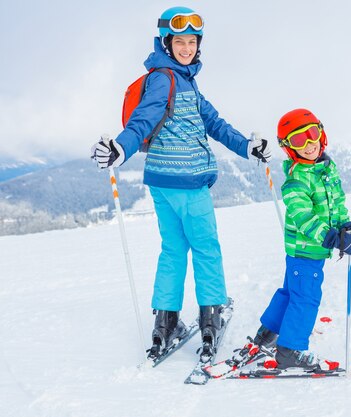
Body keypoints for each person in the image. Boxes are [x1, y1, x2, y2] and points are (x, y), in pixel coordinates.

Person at [91, 6, 271, 361]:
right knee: (206, 248)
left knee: (173, 249)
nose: (187, 47)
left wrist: (247, 148)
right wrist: (121, 148)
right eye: (180, 41)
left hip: (161, 183)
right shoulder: (165, 78)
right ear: (165, 42)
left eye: (192, 41)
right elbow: (143, 120)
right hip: (188, 183)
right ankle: (210, 317)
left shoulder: (184, 79)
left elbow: (215, 124)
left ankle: (165, 321)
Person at [232, 108, 351, 372]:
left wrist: (345, 226)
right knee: (306, 297)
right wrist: (332, 237)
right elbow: (304, 217)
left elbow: (336, 204)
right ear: (289, 148)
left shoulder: (324, 169)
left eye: (311, 134)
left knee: (291, 292)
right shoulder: (296, 181)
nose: (308, 144)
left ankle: (267, 334)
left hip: (311, 250)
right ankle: (290, 349)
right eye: (298, 141)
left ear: (321, 133)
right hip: (306, 249)